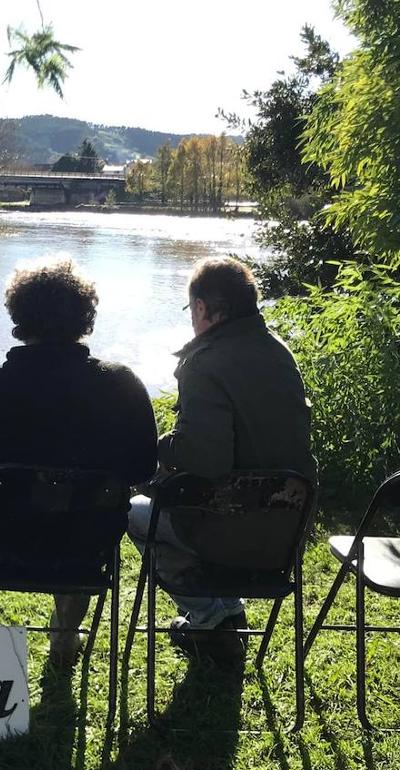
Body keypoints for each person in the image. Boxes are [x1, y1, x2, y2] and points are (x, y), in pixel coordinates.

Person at [0, 259, 158, 664]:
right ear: (85, 318)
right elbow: (144, 469)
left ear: (19, 318)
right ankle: (66, 636)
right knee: (87, 509)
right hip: (84, 544)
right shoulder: (122, 385)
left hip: (1, 538)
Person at [129, 256, 316, 664]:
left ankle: (209, 616)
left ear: (201, 308)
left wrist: (159, 446)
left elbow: (205, 461)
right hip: (286, 535)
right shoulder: (279, 351)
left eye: (190, 310)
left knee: (133, 514)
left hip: (231, 531)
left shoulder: (204, 363)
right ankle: (227, 610)